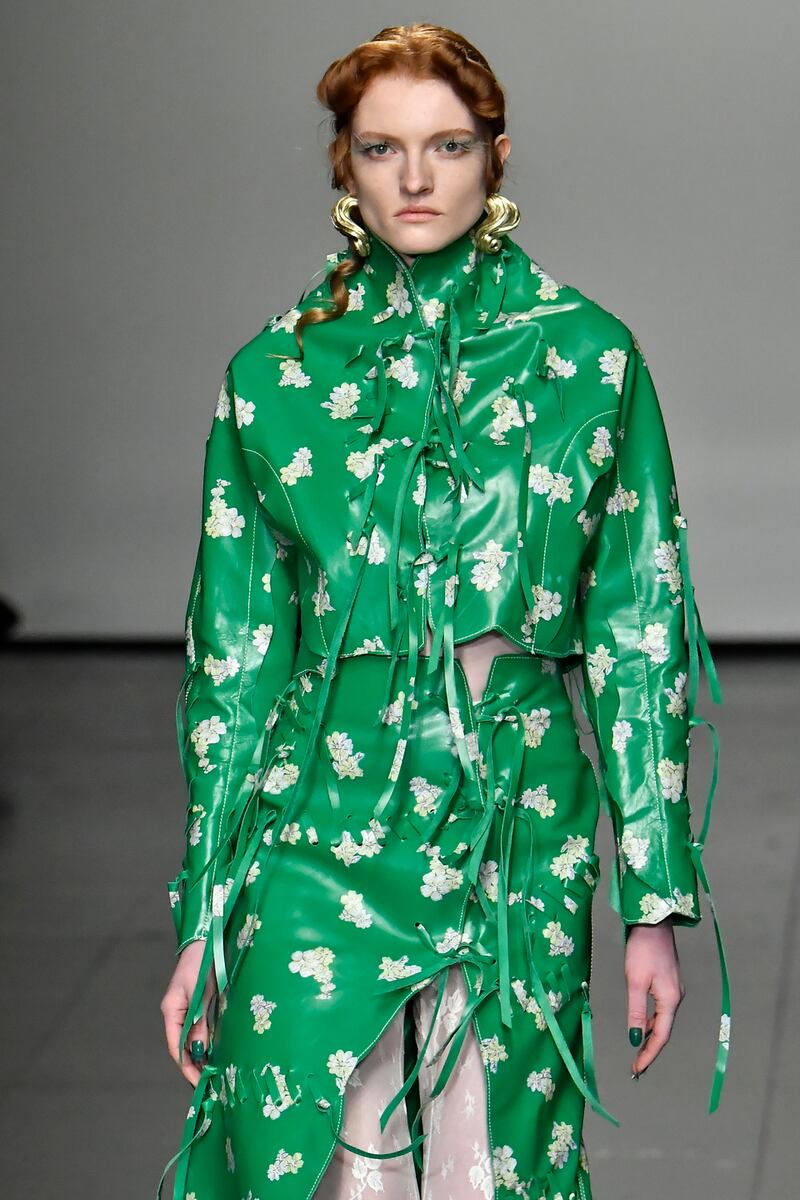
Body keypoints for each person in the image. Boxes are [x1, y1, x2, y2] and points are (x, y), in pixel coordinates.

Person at [158, 23, 730, 1200]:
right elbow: (235, 661)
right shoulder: (271, 378)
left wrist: (652, 905)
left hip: (517, 813)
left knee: (490, 1166)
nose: (414, 179)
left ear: (496, 157)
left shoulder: (588, 360)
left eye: (447, 145)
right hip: (316, 814)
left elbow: (636, 629)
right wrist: (205, 907)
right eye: (381, 147)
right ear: (343, 167)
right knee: (314, 1165)